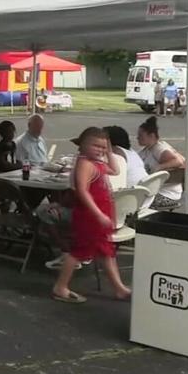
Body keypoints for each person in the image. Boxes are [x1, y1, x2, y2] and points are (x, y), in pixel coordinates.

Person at [52, 127, 130, 304]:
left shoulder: (98, 162)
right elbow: (82, 191)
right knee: (78, 252)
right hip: (90, 217)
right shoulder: (85, 164)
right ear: (83, 145)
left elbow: (115, 170)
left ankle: (119, 288)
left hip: (100, 217)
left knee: (106, 252)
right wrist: (98, 214)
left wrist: (109, 151)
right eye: (96, 146)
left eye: (103, 147)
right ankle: (61, 286)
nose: (101, 150)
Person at [137, 117, 185, 209]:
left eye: (141, 135)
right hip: (155, 191)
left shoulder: (159, 148)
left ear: (151, 136)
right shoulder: (147, 149)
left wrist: (159, 167)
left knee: (136, 202)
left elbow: (178, 161)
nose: (138, 137)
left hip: (166, 194)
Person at [105, 125, 153, 209]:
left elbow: (112, 182)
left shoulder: (116, 155)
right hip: (144, 197)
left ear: (109, 142)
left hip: (129, 202)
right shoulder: (131, 152)